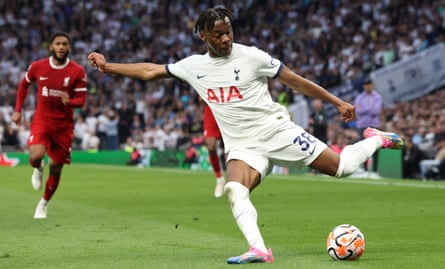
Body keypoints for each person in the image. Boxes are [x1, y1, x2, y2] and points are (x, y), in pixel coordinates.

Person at [87, 7, 403, 264]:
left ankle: (377, 138)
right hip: (242, 145)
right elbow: (149, 71)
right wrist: (108, 67)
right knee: (235, 190)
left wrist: (337, 102)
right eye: (218, 34)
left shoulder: (251, 56)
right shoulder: (193, 66)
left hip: (277, 131)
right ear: (203, 36)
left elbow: (295, 81)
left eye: (229, 32)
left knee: (343, 168)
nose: (225, 39)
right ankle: (260, 250)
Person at [12, 31, 88, 219]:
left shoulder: (77, 71)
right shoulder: (39, 66)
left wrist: (69, 101)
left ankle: (43, 204)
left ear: (69, 48)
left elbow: (81, 100)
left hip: (64, 126)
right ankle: (38, 168)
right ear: (51, 47)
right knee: (35, 156)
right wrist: (18, 109)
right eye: (58, 44)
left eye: (64, 44)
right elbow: (24, 85)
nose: (61, 47)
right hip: (42, 120)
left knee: (56, 168)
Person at [354, 77, 383, 172]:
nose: (368, 86)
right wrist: (369, 108)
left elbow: (376, 111)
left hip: (374, 125)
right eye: (366, 85)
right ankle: (365, 169)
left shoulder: (377, 97)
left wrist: (364, 109)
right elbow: (357, 111)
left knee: (375, 148)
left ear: (372, 85)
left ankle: (375, 170)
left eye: (369, 84)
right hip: (362, 126)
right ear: (364, 86)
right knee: (363, 148)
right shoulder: (359, 97)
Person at [203, 103, 226, 198]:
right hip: (211, 108)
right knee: (211, 146)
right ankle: (220, 179)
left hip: (229, 107)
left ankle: (235, 181)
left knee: (232, 147)